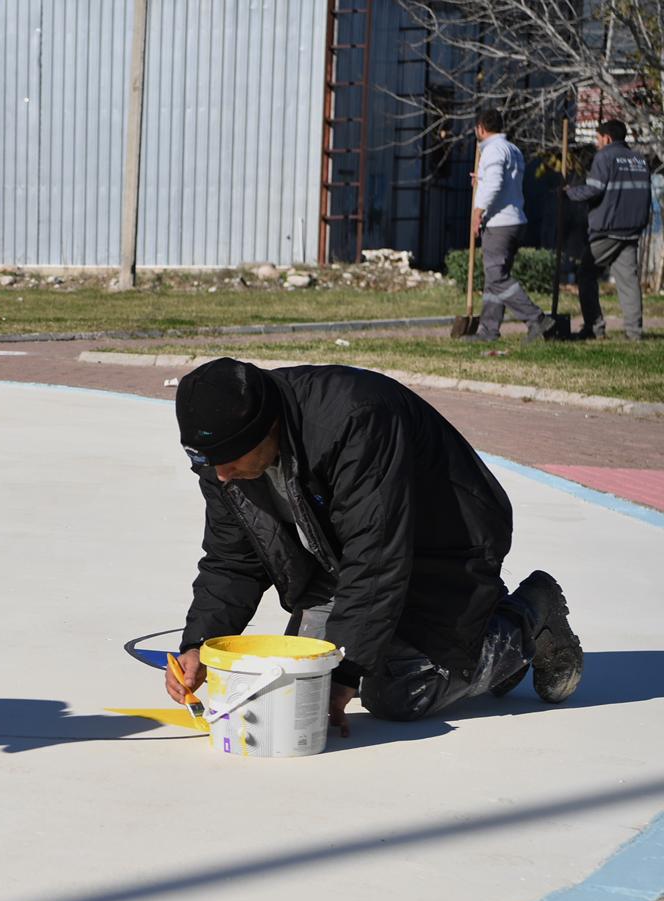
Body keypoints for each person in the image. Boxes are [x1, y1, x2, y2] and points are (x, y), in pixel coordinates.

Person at [164, 358, 583, 731]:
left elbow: (377, 554)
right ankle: (475, 633)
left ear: (267, 427)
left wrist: (347, 675)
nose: (220, 475)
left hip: (446, 546)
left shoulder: (354, 421)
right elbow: (231, 560)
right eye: (205, 462)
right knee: (300, 678)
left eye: (229, 460)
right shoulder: (223, 454)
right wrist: (199, 644)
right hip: (345, 557)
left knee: (396, 691)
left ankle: (526, 617)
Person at [467, 107, 554, 343]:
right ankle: (488, 330)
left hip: (499, 223)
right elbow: (503, 182)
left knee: (497, 278)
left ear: (480, 128)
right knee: (494, 277)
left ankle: (536, 319)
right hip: (515, 219)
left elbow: (495, 185)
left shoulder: (493, 150)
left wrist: (477, 213)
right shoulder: (512, 149)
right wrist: (481, 180)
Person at [565, 119, 652, 341]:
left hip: (608, 229)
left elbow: (594, 190)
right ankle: (634, 333)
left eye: (597, 138)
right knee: (628, 281)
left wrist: (570, 193)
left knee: (586, 274)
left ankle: (594, 327)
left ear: (607, 138)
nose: (597, 143)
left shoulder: (604, 157)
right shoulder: (639, 159)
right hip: (632, 229)